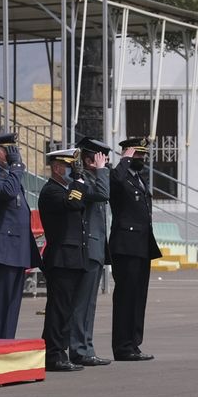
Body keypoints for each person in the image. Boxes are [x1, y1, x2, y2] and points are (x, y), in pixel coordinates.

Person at [0, 132, 36, 339]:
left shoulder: (7, 174)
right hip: (1, 250)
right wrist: (17, 168)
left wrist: (14, 170)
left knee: (10, 307)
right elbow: (8, 193)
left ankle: (5, 345)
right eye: (10, 151)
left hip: (15, 250)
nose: (15, 155)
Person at [109, 137, 161, 361]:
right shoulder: (120, 176)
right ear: (127, 154)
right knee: (126, 297)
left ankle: (134, 342)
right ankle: (122, 346)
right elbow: (114, 183)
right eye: (137, 154)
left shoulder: (138, 179)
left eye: (143, 155)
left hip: (141, 245)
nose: (142, 158)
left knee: (139, 297)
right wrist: (124, 160)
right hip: (125, 246)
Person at [38, 148, 89, 372]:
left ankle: (58, 350)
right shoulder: (51, 191)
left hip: (72, 257)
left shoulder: (65, 189)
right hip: (61, 259)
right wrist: (78, 181)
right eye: (69, 167)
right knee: (59, 308)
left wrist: (78, 182)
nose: (72, 170)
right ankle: (54, 354)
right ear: (58, 168)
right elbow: (74, 204)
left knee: (65, 308)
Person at [69, 138, 112, 365]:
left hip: (95, 249)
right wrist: (102, 171)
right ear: (89, 160)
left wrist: (103, 171)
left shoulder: (94, 178)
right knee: (82, 303)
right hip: (87, 249)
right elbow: (103, 194)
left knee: (90, 304)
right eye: (101, 158)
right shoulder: (83, 180)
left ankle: (87, 346)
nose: (105, 163)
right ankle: (79, 348)